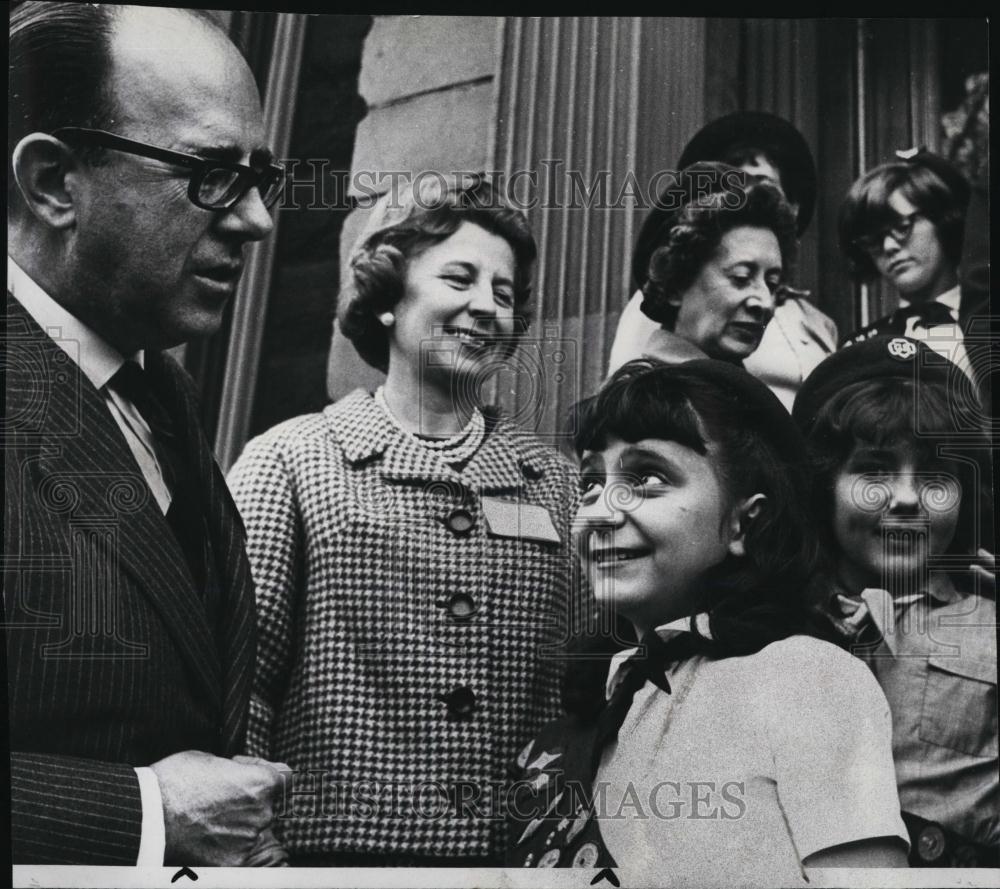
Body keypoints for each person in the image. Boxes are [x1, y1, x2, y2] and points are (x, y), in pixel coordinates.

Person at [6, 2, 290, 866]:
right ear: (54, 183)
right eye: (211, 174)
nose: (257, 220)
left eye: (259, 176)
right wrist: (144, 813)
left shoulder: (159, 389)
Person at [227, 173, 581, 864]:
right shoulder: (290, 461)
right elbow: (242, 689)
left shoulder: (558, 485)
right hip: (327, 866)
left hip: (515, 865)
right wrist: (260, 859)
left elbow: (582, 690)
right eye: (459, 278)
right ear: (388, 297)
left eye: (504, 292)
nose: (486, 306)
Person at [507, 359, 909, 883]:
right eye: (590, 483)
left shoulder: (807, 680)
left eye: (647, 477)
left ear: (744, 521)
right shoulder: (574, 724)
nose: (600, 512)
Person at [793, 335, 998, 867]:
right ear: (823, 484)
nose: (907, 497)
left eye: (935, 477)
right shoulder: (768, 620)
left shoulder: (988, 624)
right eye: (874, 471)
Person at [610, 111, 838, 410]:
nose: (763, 302)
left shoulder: (816, 323)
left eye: (762, 187)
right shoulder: (663, 305)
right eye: (741, 278)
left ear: (793, 207)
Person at [607, 166, 797, 369]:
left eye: (772, 284)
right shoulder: (654, 388)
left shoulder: (732, 385)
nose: (766, 303)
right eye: (741, 278)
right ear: (676, 284)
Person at [838, 150, 989, 393]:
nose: (889, 246)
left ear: (943, 219)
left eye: (901, 227)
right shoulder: (860, 348)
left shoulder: (990, 323)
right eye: (873, 240)